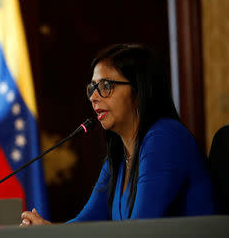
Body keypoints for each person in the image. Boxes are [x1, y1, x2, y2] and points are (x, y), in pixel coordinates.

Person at [21, 43, 214, 225]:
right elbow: (86, 223)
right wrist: (46, 229)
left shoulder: (164, 139)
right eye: (92, 88)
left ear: (139, 91)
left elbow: (139, 231)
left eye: (105, 86)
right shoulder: (120, 155)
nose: (93, 97)